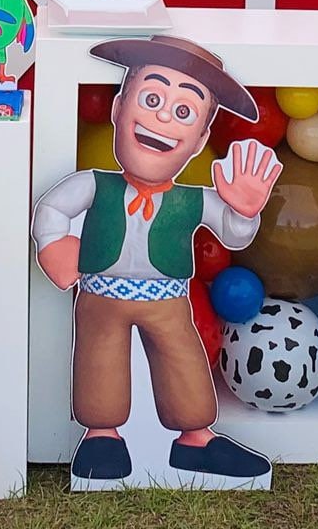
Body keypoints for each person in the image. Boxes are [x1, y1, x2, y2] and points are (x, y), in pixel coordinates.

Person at [32, 34, 282, 482]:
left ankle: (196, 439)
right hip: (99, 296)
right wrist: (55, 246)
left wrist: (245, 210)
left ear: (200, 137)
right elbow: (51, 209)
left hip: (168, 301)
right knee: (98, 357)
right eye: (151, 98)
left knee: (183, 359)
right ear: (117, 109)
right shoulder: (95, 184)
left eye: (183, 111)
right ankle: (102, 436)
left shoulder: (193, 199)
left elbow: (233, 233)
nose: (164, 116)